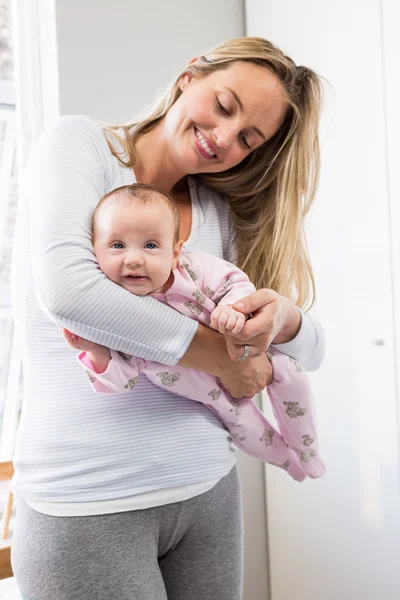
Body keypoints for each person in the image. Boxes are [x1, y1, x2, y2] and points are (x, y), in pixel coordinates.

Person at [11, 36, 325, 600]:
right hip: (88, 505)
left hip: (207, 494)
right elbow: (71, 293)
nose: (224, 138)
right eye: (224, 106)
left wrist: (286, 321)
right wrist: (220, 361)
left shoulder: (216, 212)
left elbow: (309, 352)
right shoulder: (81, 146)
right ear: (190, 75)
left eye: (248, 137)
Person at [63, 182, 325, 482]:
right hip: (210, 395)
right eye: (117, 245)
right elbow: (122, 381)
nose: (133, 259)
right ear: (95, 251)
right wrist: (95, 351)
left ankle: (308, 449)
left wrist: (232, 307)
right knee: (247, 428)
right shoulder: (113, 313)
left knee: (292, 375)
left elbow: (232, 281)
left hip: (249, 351)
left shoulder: (192, 269)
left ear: (175, 253)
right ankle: (289, 464)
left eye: (150, 245)